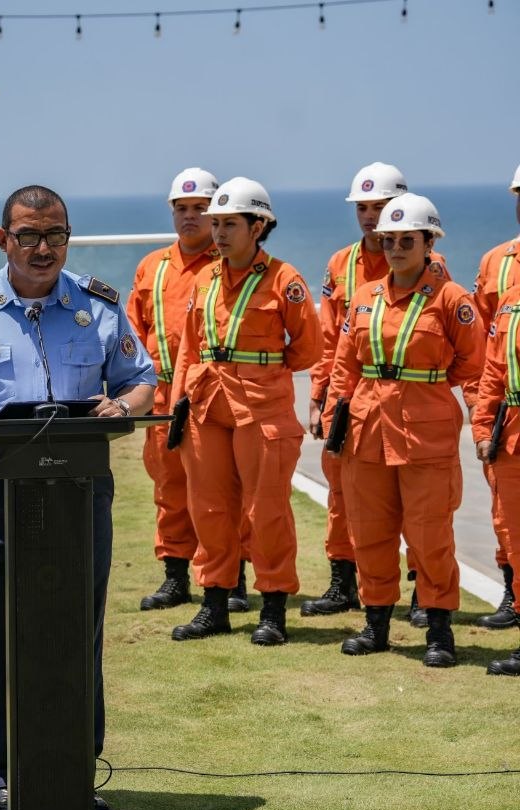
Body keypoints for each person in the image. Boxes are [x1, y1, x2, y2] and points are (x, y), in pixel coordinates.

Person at [0, 185, 154, 810]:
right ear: (2, 239)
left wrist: (120, 406)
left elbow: (140, 380)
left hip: (79, 487)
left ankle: (74, 763)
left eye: (56, 236)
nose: (43, 249)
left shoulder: (96, 306)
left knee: (79, 625)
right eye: (28, 237)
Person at [328, 194, 482, 665]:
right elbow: (345, 364)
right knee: (370, 531)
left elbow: (472, 361)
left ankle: (438, 631)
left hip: (425, 432)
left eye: (406, 240)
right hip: (368, 429)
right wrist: (335, 411)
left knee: (429, 534)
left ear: (428, 242)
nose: (395, 247)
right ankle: (376, 625)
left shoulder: (452, 299)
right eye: (388, 239)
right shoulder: (363, 297)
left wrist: (425, 388)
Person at [169, 178, 321, 646]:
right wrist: (179, 403)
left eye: (229, 223)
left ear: (258, 226)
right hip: (207, 403)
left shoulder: (285, 280)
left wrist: (264, 373)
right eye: (215, 223)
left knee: (267, 510)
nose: (218, 233)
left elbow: (309, 348)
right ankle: (214, 604)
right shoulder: (202, 279)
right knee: (209, 507)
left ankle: (273, 609)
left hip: (262, 407)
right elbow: (189, 350)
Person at [305, 164, 452, 625]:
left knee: (418, 509)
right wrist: (319, 395)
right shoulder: (340, 264)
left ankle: (420, 595)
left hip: (411, 408)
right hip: (354, 402)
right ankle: (343, 581)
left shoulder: (433, 268)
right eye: (363, 208)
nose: (371, 219)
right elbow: (332, 338)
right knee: (344, 496)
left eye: (380, 207)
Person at [128, 168, 220, 611]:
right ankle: (176, 576)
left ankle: (228, 580)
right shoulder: (152, 266)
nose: (190, 217)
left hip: (210, 395)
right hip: (162, 394)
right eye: (181, 209)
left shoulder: (227, 266)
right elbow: (132, 329)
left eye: (200, 209)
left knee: (220, 489)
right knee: (169, 487)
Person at [470, 164, 520, 631]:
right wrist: (483, 423)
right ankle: (512, 596)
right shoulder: (500, 272)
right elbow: (489, 359)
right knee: (508, 521)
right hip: (511, 426)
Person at [474, 278, 520, 675]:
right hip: (513, 439)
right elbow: (492, 372)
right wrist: (483, 428)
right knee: (516, 541)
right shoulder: (510, 301)